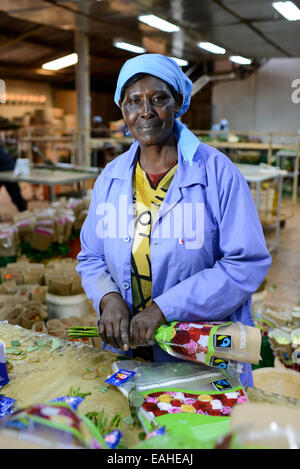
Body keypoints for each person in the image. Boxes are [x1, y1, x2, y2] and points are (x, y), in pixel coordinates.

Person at [76, 54, 271, 387]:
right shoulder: (111, 179)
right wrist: (108, 298)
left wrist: (164, 309)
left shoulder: (217, 173)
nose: (146, 111)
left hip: (200, 353)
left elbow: (245, 264)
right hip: (131, 349)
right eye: (133, 101)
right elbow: (91, 257)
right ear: (123, 112)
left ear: (178, 103)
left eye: (158, 99)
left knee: (200, 432)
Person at [0, 145, 27, 212]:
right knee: (15, 194)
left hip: (7, 168)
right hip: (5, 166)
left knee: (15, 195)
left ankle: (25, 214)